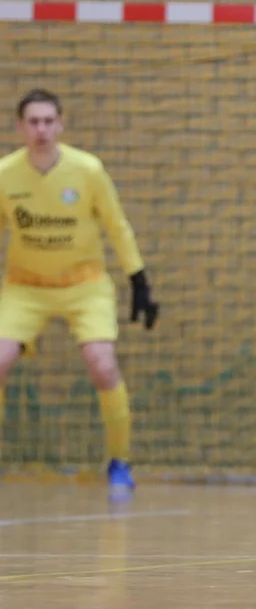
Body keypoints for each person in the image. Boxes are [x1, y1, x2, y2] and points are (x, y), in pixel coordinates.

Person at [0, 89, 159, 500]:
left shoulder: (87, 170)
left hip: (83, 286)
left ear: (61, 124)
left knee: (102, 364)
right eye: (33, 122)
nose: (41, 130)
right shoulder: (6, 174)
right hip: (25, 287)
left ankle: (120, 462)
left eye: (48, 121)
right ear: (20, 127)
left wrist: (138, 279)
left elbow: (116, 224)